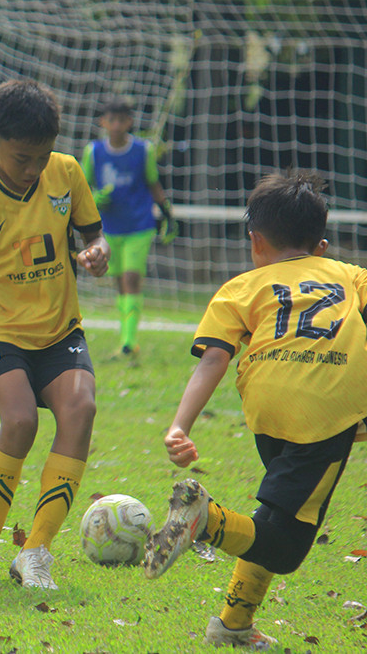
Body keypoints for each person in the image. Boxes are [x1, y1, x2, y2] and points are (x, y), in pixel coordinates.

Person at [143, 171, 367, 649]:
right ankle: (205, 521)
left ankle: (233, 625)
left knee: (271, 520)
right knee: (286, 548)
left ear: (255, 240)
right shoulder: (351, 276)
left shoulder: (240, 287)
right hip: (322, 411)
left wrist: (179, 426)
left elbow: (214, 360)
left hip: (265, 406)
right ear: (322, 245)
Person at [0, 79, 110, 590]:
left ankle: (36, 553)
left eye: (42, 156)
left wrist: (97, 252)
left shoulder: (67, 173)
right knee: (19, 422)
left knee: (81, 410)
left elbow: (92, 235)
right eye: (21, 158)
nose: (33, 168)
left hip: (60, 329)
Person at [80, 99, 175, 358]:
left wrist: (167, 212)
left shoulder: (143, 150)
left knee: (132, 278)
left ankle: (128, 342)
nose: (117, 125)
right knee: (119, 283)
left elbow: (153, 183)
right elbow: (82, 186)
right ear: (103, 122)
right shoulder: (94, 152)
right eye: (112, 120)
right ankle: (126, 337)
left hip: (139, 225)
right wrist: (95, 197)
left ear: (130, 122)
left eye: (122, 120)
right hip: (108, 229)